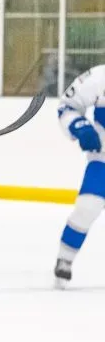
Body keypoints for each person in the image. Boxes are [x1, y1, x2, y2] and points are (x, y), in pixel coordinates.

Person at [54, 65, 105, 287]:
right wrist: (80, 127)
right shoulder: (99, 77)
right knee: (87, 207)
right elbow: (67, 106)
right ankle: (64, 259)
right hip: (103, 160)